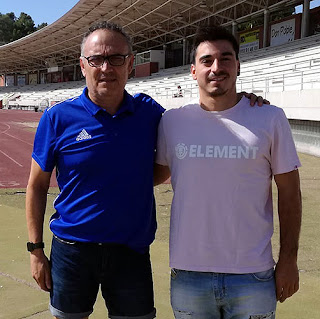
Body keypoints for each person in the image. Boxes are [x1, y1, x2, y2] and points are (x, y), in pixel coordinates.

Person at [154, 25, 302, 319]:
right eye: (207, 60)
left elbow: (289, 194)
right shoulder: (171, 122)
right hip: (189, 274)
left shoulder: (269, 118)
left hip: (253, 274)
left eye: (225, 58)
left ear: (238, 65)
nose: (216, 67)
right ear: (193, 70)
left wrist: (288, 260)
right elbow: (151, 176)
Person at [26, 21, 164, 319]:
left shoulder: (150, 114)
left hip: (131, 251)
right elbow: (36, 186)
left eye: (115, 58)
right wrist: (36, 250)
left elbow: (201, 120)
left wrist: (243, 100)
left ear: (129, 63)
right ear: (83, 65)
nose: (106, 67)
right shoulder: (57, 118)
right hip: (72, 251)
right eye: (96, 59)